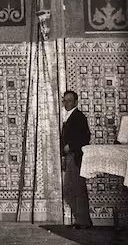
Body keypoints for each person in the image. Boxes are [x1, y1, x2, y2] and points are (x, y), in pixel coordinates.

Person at [61, 90, 93, 229]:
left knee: (77, 189)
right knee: (70, 189)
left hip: (76, 157)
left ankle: (83, 222)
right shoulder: (68, 116)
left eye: (69, 100)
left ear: (75, 102)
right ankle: (80, 220)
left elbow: (85, 137)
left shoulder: (79, 117)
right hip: (70, 157)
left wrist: (70, 146)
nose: (66, 103)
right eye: (65, 100)